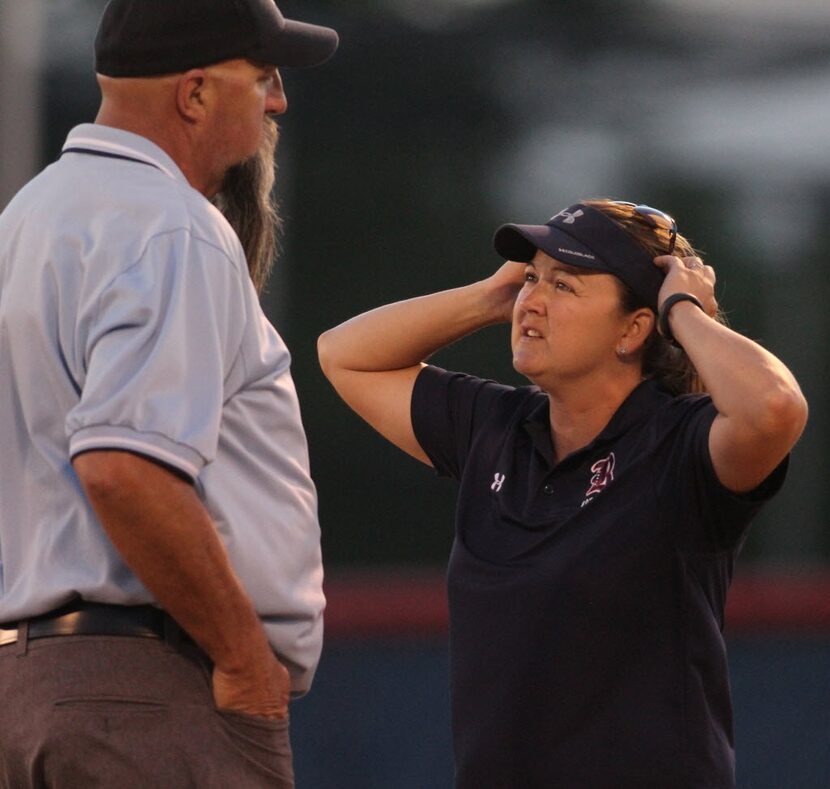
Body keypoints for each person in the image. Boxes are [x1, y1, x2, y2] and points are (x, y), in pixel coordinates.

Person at [317, 199, 808, 788]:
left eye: (566, 285)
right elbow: (344, 356)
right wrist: (493, 297)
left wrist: (683, 309)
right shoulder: (495, 427)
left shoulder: (680, 445)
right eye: (532, 278)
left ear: (633, 328)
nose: (534, 300)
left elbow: (775, 408)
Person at [0, 1, 338, 786]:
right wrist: (246, 660)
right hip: (142, 687)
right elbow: (123, 465)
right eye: (261, 77)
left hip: (27, 686)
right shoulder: (171, 226)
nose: (277, 99)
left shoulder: (24, 221)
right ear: (194, 95)